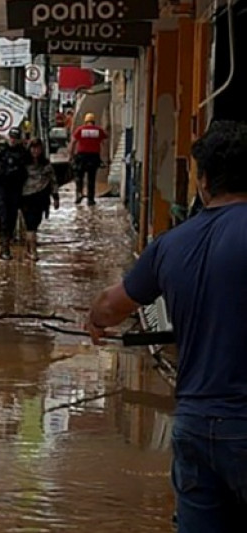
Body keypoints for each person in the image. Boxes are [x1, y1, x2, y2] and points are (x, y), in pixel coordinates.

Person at [85, 121, 247, 533]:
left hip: (195, 424)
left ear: (203, 179)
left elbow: (110, 305)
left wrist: (96, 321)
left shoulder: (170, 245)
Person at [0, 127, 31, 260]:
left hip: (15, 187)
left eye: (16, 138)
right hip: (0, 185)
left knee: (12, 216)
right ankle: (4, 248)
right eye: (11, 137)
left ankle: (8, 241)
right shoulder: (2, 149)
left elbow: (31, 169)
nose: (13, 140)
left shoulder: (24, 152)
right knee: (3, 215)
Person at [19, 139, 60, 261]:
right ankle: (33, 251)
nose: (35, 151)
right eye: (33, 148)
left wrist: (56, 197)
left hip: (41, 198)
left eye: (38, 148)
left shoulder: (45, 164)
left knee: (34, 224)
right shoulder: (23, 163)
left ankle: (28, 249)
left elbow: (53, 181)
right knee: (30, 224)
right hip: (26, 197)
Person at [69, 112, 108, 206]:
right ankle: (90, 199)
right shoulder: (98, 130)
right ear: (93, 121)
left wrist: (71, 155)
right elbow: (105, 142)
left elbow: (73, 143)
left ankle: (79, 194)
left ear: (85, 121)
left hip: (81, 156)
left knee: (79, 177)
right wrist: (104, 157)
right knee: (91, 178)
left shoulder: (80, 130)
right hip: (94, 156)